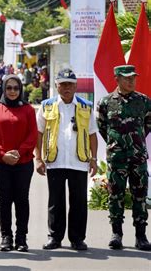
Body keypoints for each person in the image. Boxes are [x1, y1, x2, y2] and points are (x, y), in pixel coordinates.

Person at [35, 68, 98, 251]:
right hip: (55, 160)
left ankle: (77, 238)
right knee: (56, 201)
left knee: (78, 201)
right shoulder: (47, 105)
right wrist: (38, 158)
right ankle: (54, 237)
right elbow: (38, 133)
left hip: (79, 160)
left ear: (76, 86)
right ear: (57, 85)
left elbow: (93, 134)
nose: (66, 88)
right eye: (63, 84)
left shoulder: (86, 106)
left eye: (70, 84)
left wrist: (93, 159)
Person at [97, 65, 151, 251]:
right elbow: (103, 127)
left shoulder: (144, 101)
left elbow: (148, 124)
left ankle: (141, 236)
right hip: (116, 157)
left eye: (133, 78)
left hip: (138, 157)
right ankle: (116, 233)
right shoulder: (106, 102)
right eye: (127, 78)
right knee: (115, 195)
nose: (131, 81)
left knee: (140, 195)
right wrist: (117, 144)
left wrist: (135, 141)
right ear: (117, 79)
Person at [0, 75, 37, 252]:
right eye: (9, 88)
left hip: (23, 162)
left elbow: (33, 135)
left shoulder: (29, 110)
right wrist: (2, 154)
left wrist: (19, 151)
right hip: (1, 163)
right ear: (3, 89)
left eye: (16, 88)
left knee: (22, 199)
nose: (13, 91)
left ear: (21, 89)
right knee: (4, 199)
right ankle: (6, 236)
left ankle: (21, 238)